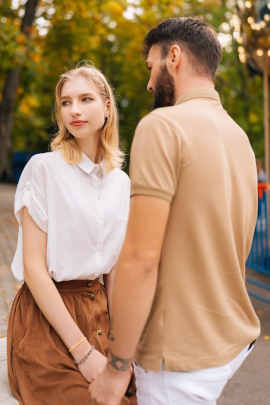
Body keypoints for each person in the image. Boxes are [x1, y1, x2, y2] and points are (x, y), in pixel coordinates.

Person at [89, 17, 261, 405]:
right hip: (229, 340)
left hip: (178, 356)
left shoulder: (162, 127)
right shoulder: (239, 139)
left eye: (151, 67)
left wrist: (117, 368)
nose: (150, 83)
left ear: (174, 56)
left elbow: (140, 260)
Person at [7, 64, 136, 405]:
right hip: (46, 317)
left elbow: (114, 271)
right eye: (65, 102)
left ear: (108, 107)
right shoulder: (43, 169)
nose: (74, 110)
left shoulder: (120, 183)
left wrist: (121, 344)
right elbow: (34, 269)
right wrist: (81, 351)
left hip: (101, 313)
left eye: (85, 99)